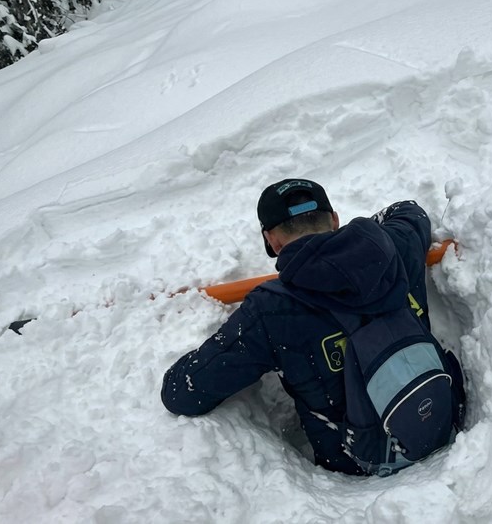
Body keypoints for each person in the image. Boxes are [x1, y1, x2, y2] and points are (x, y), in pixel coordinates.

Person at [161, 178, 465, 475]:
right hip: (441, 417)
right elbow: (409, 211)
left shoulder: (271, 310)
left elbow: (183, 392)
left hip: (357, 465)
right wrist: (364, 240)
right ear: (334, 220)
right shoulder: (396, 247)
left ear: (272, 240)